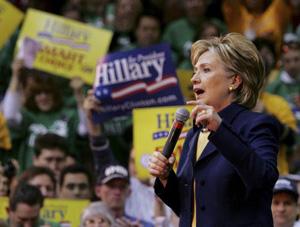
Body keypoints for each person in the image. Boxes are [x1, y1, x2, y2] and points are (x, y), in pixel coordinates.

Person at [148, 32, 282, 226]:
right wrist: (166, 177)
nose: (194, 78)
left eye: (206, 70)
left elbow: (264, 180)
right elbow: (192, 209)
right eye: (195, 71)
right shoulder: (195, 132)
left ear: (234, 81)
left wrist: (220, 129)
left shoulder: (257, 125)